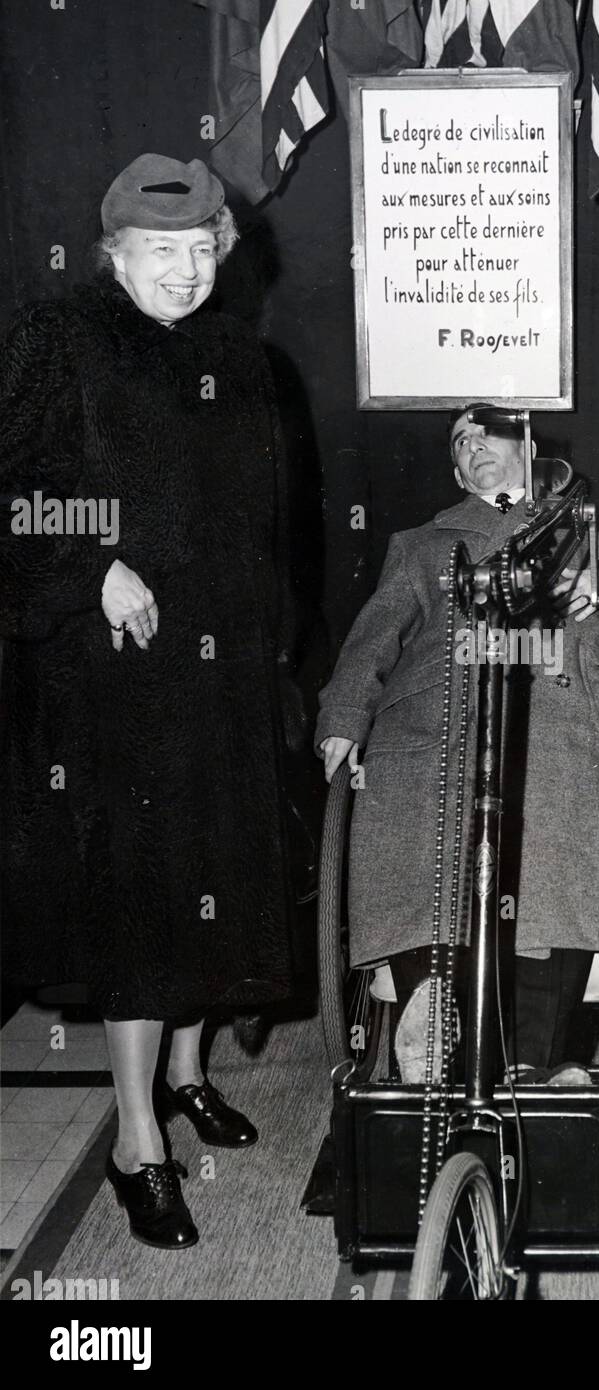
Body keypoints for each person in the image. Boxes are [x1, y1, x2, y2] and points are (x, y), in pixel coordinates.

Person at [0, 155, 297, 1248]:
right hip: (117, 679)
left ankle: (184, 1072)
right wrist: (92, 568)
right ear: (113, 252)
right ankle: (138, 1140)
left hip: (223, 672)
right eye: (159, 251)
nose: (185, 269)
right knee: (144, 895)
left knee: (215, 871)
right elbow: (12, 499)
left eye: (201, 247)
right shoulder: (59, 337)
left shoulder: (242, 359)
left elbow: (269, 527)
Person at [317, 405, 599, 1081]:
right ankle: (427, 1015)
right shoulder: (423, 543)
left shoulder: (596, 525)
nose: (471, 448)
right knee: (421, 805)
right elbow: (374, 636)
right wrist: (344, 716)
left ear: (526, 441)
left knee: (554, 803)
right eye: (458, 443)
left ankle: (540, 1063)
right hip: (443, 709)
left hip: (575, 708)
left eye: (482, 433)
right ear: (455, 470)